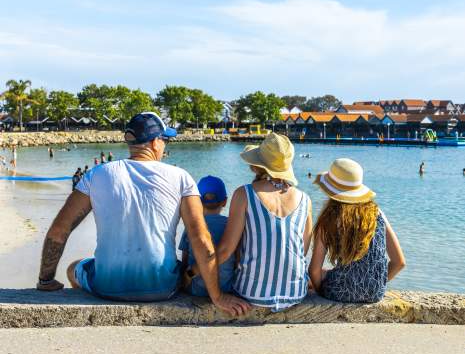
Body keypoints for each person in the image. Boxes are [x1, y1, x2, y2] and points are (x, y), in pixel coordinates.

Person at [36, 112, 249, 317]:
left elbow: (59, 230)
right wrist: (218, 296)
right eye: (165, 139)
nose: (165, 145)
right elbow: (201, 239)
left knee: (75, 267)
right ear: (156, 142)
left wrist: (45, 280)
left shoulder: (97, 174)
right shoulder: (181, 177)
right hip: (164, 288)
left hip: (107, 287)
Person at [189, 133, 312, 312]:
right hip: (295, 293)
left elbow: (224, 251)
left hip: (253, 294)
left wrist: (191, 272)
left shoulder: (244, 194)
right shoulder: (306, 199)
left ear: (256, 167)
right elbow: (303, 250)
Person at [309, 158, 406, 303]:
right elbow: (399, 263)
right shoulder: (377, 213)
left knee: (310, 277)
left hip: (340, 291)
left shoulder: (328, 219)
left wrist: (320, 291)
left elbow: (314, 271)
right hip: (375, 293)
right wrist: (373, 285)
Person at [180, 175, 234, 296]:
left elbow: (185, 261)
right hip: (226, 288)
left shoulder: (192, 226)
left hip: (195, 290)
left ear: (198, 201)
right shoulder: (231, 225)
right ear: (224, 201)